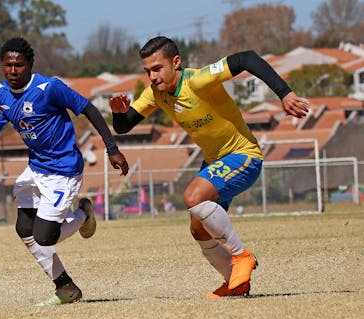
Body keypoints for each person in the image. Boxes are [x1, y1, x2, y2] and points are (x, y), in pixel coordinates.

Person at [109, 36, 309, 299]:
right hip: (215, 162)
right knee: (198, 228)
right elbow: (123, 127)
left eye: (157, 68)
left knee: (192, 196)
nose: (152, 77)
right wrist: (117, 112)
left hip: (243, 156)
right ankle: (235, 285)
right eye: (147, 71)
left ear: (176, 62)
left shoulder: (198, 80)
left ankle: (242, 256)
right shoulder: (155, 95)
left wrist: (285, 94)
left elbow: (247, 57)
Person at [0, 37, 129, 305]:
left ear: (30, 64)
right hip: (35, 168)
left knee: (44, 237)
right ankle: (65, 288)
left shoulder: (49, 87)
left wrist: (111, 148)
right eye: (7, 65)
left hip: (63, 170)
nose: (12, 71)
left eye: (19, 65)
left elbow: (90, 109)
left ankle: (83, 215)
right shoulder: (0, 93)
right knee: (24, 228)